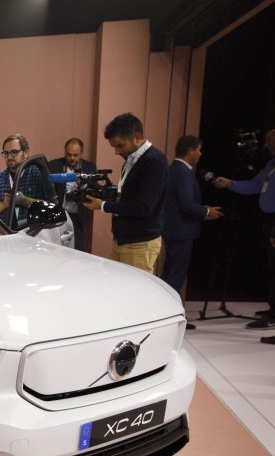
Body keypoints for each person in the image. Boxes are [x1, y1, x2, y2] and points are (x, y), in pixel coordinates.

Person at [83, 113, 168, 274]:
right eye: (114, 147)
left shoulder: (154, 161)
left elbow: (143, 207)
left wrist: (103, 205)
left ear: (138, 137)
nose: (116, 152)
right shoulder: (132, 159)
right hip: (124, 239)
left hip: (140, 243)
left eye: (120, 145)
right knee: (116, 286)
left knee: (135, 289)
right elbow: (129, 196)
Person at [213, 128, 275, 332]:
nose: (266, 146)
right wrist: (231, 183)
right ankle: (273, 309)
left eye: (269, 142)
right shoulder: (271, 164)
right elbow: (254, 185)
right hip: (268, 221)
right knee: (271, 267)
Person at [161, 135, 223, 329]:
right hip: (182, 230)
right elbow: (187, 204)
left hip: (176, 229)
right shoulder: (182, 172)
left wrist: (203, 208)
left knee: (171, 273)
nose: (200, 154)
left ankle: (166, 316)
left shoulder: (175, 169)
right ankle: (169, 318)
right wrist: (206, 212)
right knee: (175, 275)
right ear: (191, 150)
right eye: (199, 149)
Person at [47, 138, 97, 251]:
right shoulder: (53, 166)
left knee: (79, 250)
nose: (72, 158)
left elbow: (92, 192)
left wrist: (82, 185)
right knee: (57, 250)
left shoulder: (90, 168)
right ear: (64, 152)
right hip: (59, 216)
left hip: (79, 218)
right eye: (69, 154)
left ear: (81, 153)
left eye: (76, 155)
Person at [0, 134, 43, 218]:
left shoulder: (37, 174)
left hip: (30, 225)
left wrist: (24, 200)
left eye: (14, 152)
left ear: (25, 153)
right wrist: (3, 204)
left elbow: (49, 205)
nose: (9, 157)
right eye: (6, 153)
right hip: (4, 226)